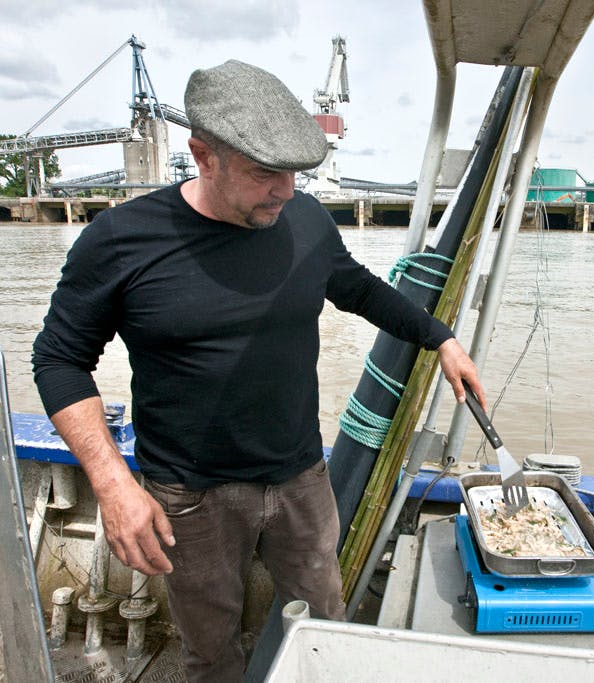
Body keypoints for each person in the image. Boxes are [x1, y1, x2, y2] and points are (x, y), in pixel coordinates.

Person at [32, 59, 487, 682]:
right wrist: (112, 486)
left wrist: (442, 339)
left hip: (301, 479)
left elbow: (357, 288)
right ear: (203, 156)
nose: (286, 192)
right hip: (189, 496)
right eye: (265, 173)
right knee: (210, 650)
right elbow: (59, 360)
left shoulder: (305, 220)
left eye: (295, 174)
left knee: (324, 624)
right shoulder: (120, 240)